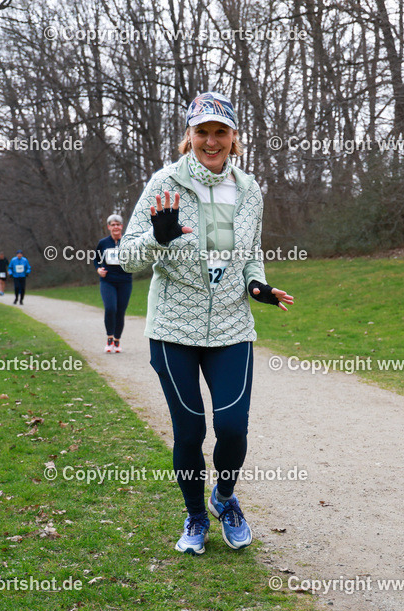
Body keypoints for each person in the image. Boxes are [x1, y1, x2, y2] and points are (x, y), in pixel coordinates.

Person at [119, 91, 293, 555]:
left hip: (232, 327)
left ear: (234, 138)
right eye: (203, 132)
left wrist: (257, 285)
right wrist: (158, 237)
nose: (211, 141)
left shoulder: (250, 189)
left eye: (221, 132)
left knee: (233, 426)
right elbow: (126, 259)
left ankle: (225, 498)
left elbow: (251, 251)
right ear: (189, 136)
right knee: (191, 430)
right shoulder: (165, 184)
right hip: (175, 328)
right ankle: (196, 516)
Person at [94, 214, 133, 353]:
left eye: (118, 224)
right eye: (113, 224)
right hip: (108, 281)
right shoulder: (103, 243)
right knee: (110, 308)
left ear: (122, 226)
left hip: (125, 281)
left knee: (120, 311)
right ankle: (109, 338)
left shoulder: (128, 242)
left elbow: (135, 259)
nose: (115, 227)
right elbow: (96, 259)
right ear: (109, 227)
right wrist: (98, 269)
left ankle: (117, 341)